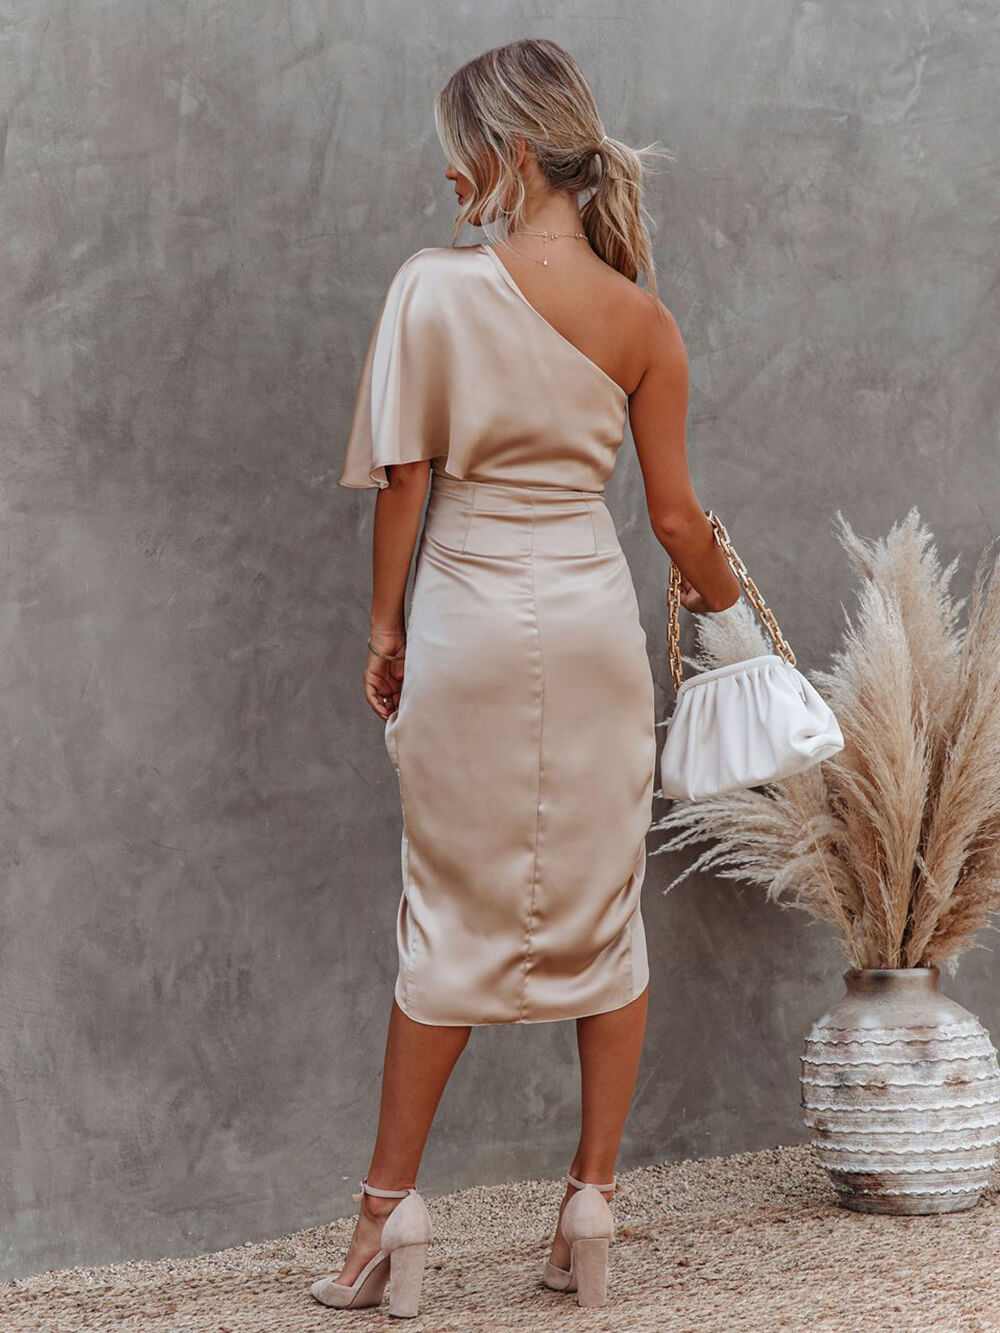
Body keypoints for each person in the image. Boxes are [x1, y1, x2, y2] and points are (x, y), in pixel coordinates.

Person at [311, 37, 741, 1317]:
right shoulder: (642, 319)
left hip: (470, 623)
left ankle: (386, 1215)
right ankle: (588, 1202)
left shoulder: (432, 289)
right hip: (594, 629)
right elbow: (674, 520)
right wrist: (733, 619)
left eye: (459, 150)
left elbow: (404, 483)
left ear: (507, 150)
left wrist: (382, 632)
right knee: (606, 907)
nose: (448, 176)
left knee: (446, 908)